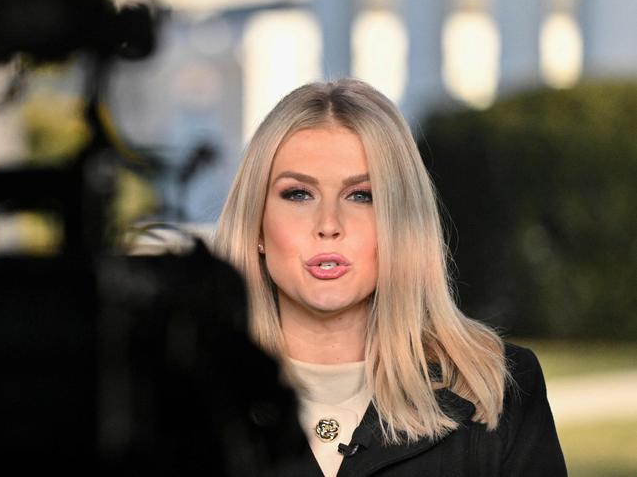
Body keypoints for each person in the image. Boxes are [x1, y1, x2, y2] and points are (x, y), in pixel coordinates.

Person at [213, 78, 567, 476]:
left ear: (400, 222)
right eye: (298, 194)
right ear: (256, 224)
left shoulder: (499, 386)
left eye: (362, 195)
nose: (329, 224)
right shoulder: (176, 395)